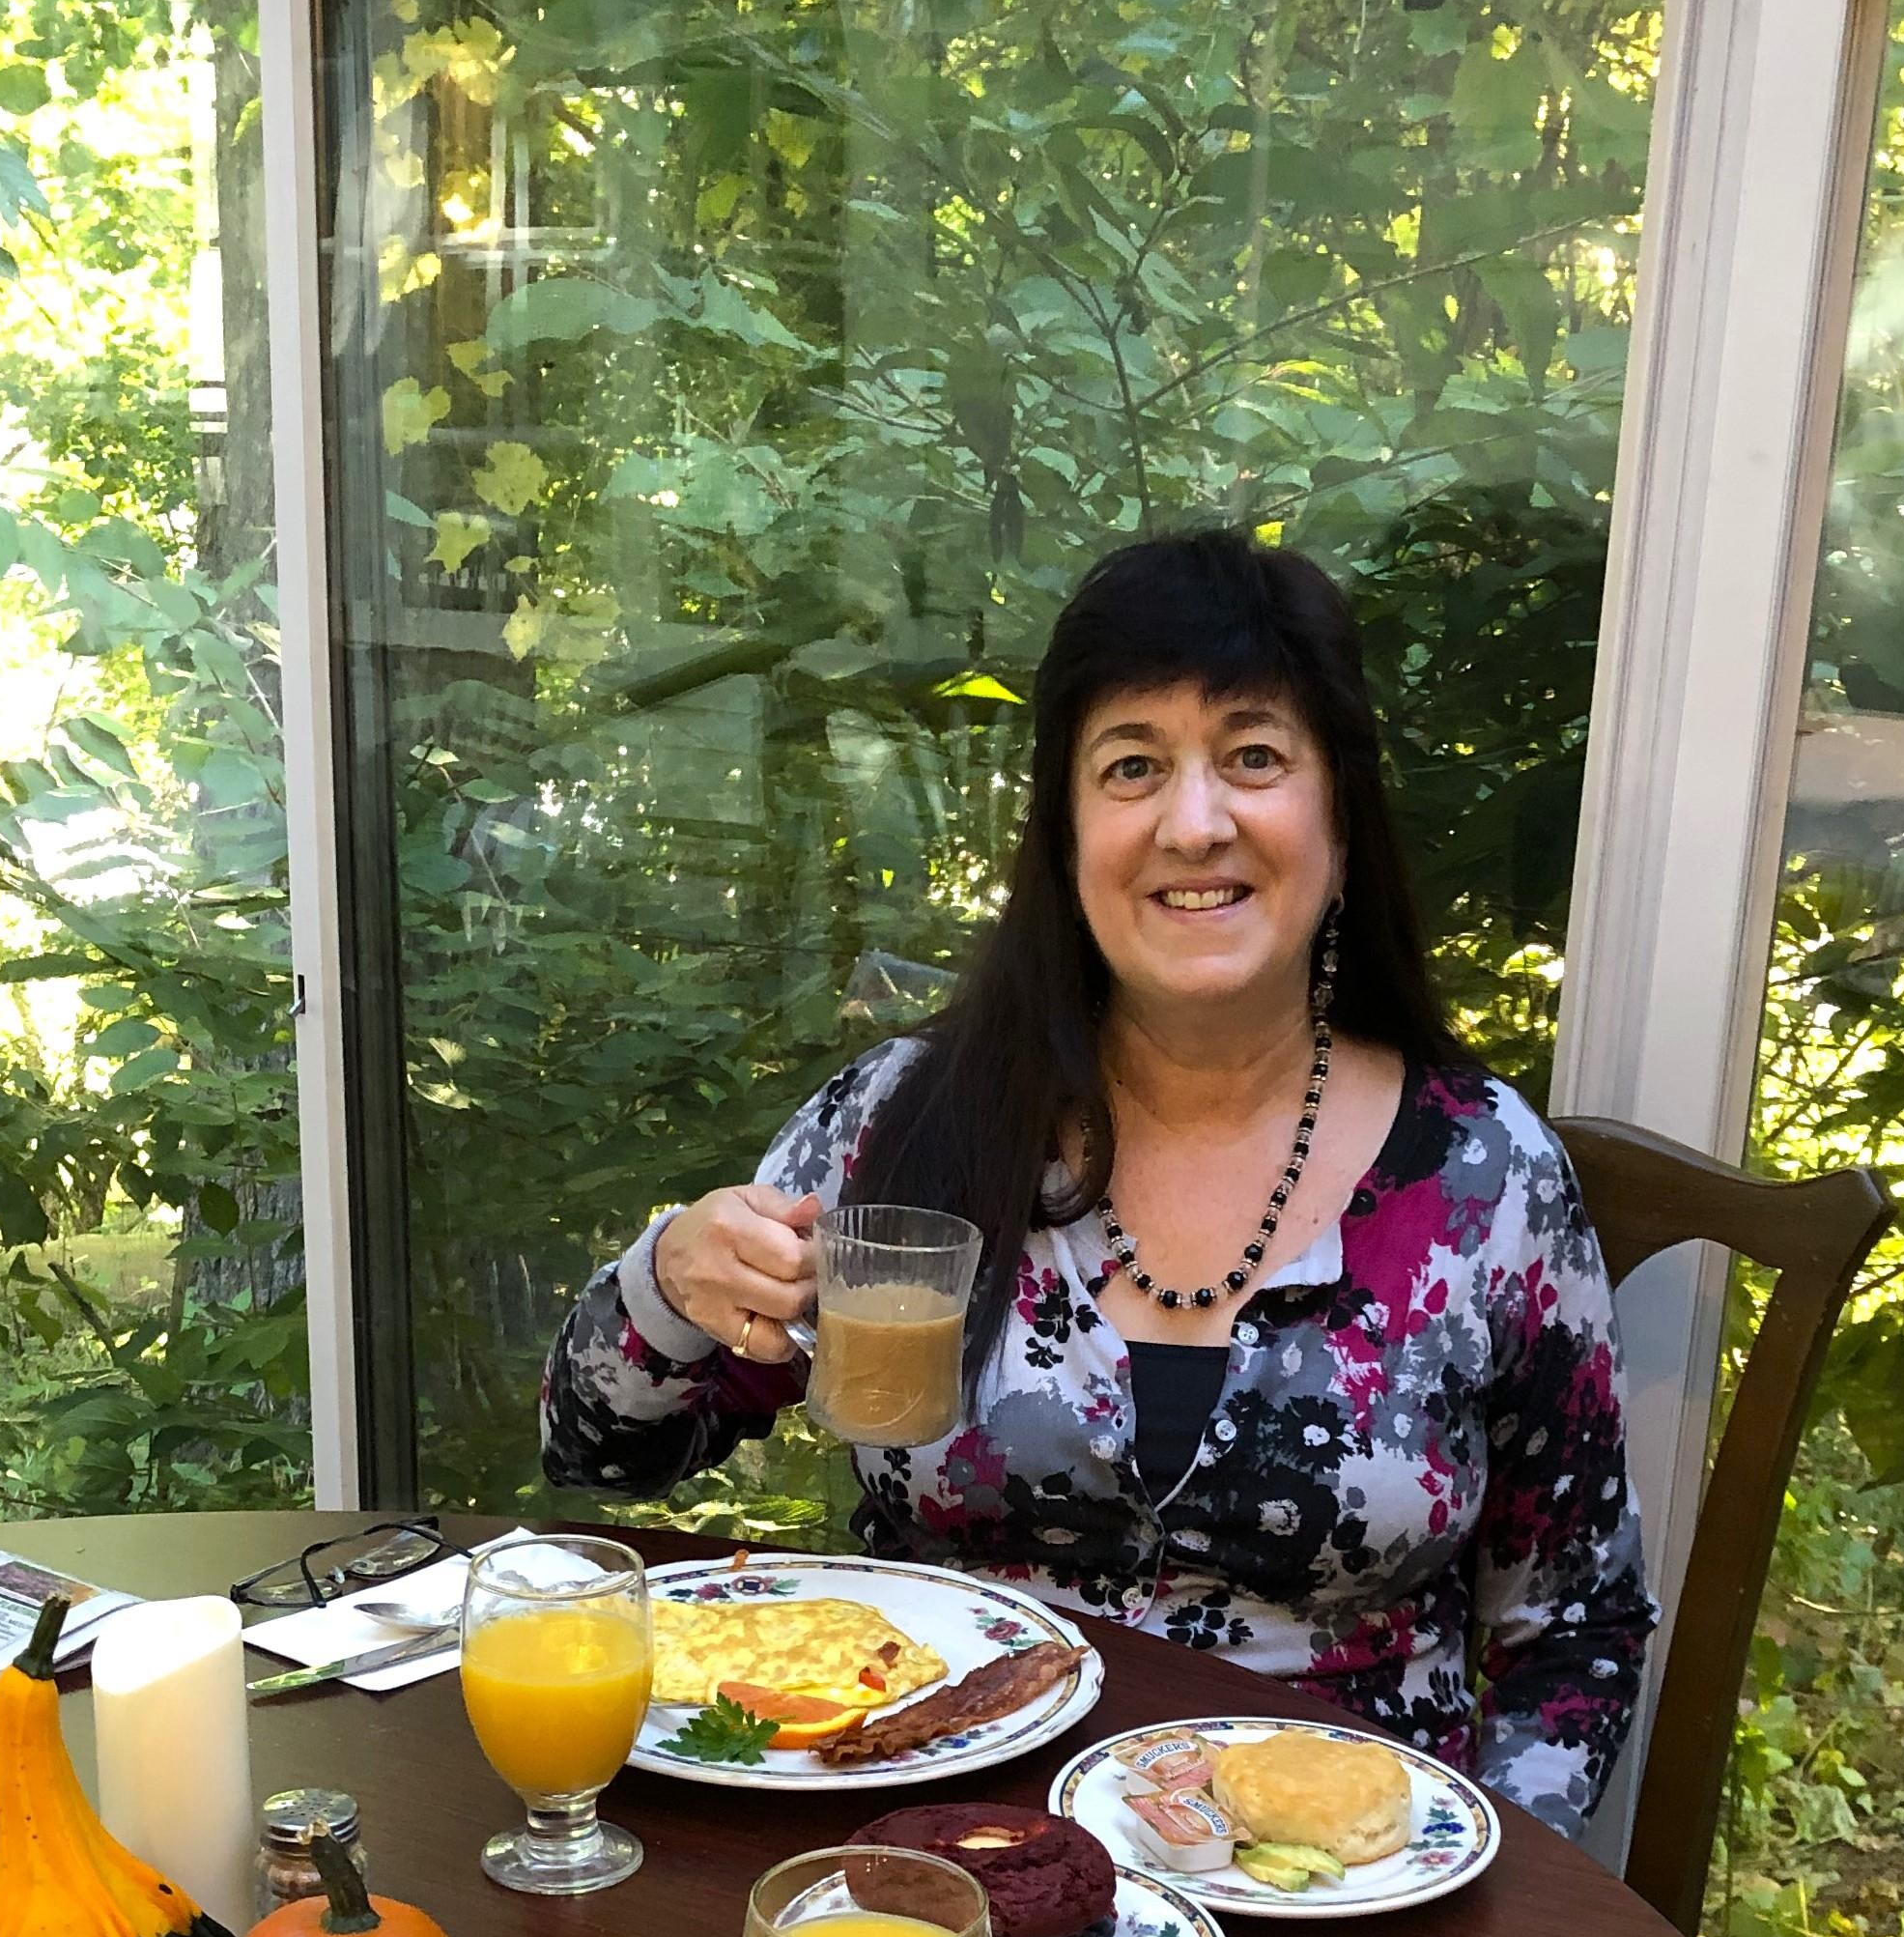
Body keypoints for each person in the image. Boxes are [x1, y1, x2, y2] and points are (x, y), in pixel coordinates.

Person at [539, 527, 1653, 1831]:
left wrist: (1477, 1903)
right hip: (934, 1854)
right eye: (1133, 766)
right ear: (1066, 836)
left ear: (1340, 819)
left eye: (1253, 757)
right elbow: (598, 1451)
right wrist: (670, 1281)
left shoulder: (1487, 1180)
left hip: (1346, 1904)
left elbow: (1576, 1630)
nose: (1196, 822)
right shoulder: (909, 1123)